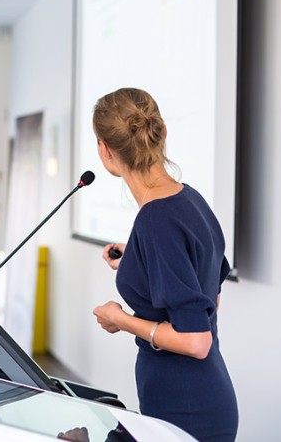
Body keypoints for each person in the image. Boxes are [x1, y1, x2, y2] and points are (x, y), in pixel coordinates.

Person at [90, 88, 238, 441]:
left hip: (186, 412)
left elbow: (196, 340)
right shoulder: (189, 199)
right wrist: (139, 258)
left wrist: (121, 319)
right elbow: (207, 290)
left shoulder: (155, 220)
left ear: (105, 151)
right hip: (200, 400)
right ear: (163, 133)